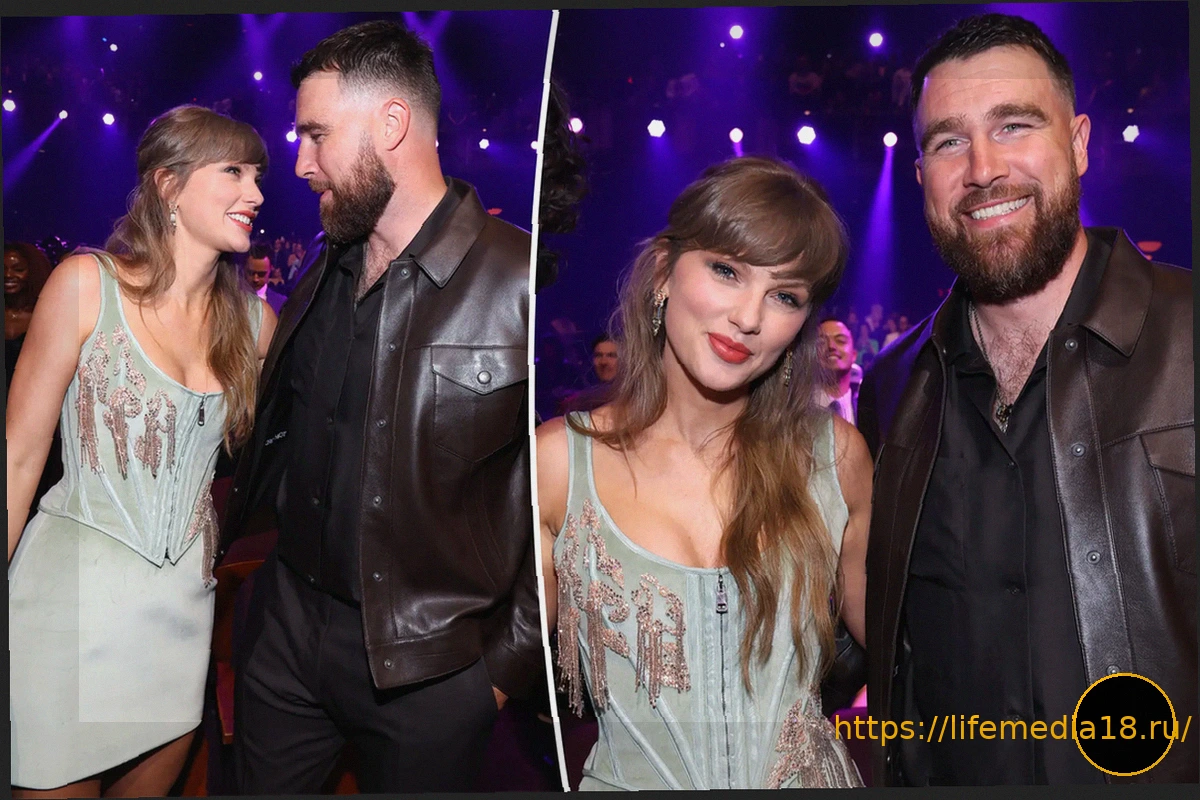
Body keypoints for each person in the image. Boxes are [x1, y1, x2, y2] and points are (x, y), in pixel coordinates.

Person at [858, 13, 1195, 785]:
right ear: (920, 175)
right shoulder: (894, 388)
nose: (983, 169)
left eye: (1013, 126)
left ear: (1078, 143)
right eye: (949, 141)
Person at [218, 20, 538, 793]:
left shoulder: (520, 279)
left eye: (317, 135)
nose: (301, 164)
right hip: (285, 636)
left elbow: (565, 504)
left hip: (430, 669)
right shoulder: (326, 263)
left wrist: (499, 673)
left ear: (391, 123)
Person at [537, 157, 873, 790]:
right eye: (727, 271)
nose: (749, 316)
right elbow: (475, 679)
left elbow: (916, 649)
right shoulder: (558, 462)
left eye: (785, 296)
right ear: (664, 272)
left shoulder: (833, 458)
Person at [7, 105, 276, 798]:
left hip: (180, 617)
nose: (255, 193)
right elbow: (19, 456)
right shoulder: (85, 284)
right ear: (168, 185)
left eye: (258, 176)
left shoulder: (254, 323)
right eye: (234, 172)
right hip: (67, 609)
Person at [816, 319, 858, 425]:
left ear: (854, 355)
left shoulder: (870, 410)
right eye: (821, 342)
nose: (831, 346)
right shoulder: (796, 407)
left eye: (840, 341)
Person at [242, 242, 287, 314]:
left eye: (261, 274)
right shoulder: (231, 299)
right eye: (251, 273)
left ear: (270, 269)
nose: (255, 279)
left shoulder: (281, 303)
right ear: (243, 269)